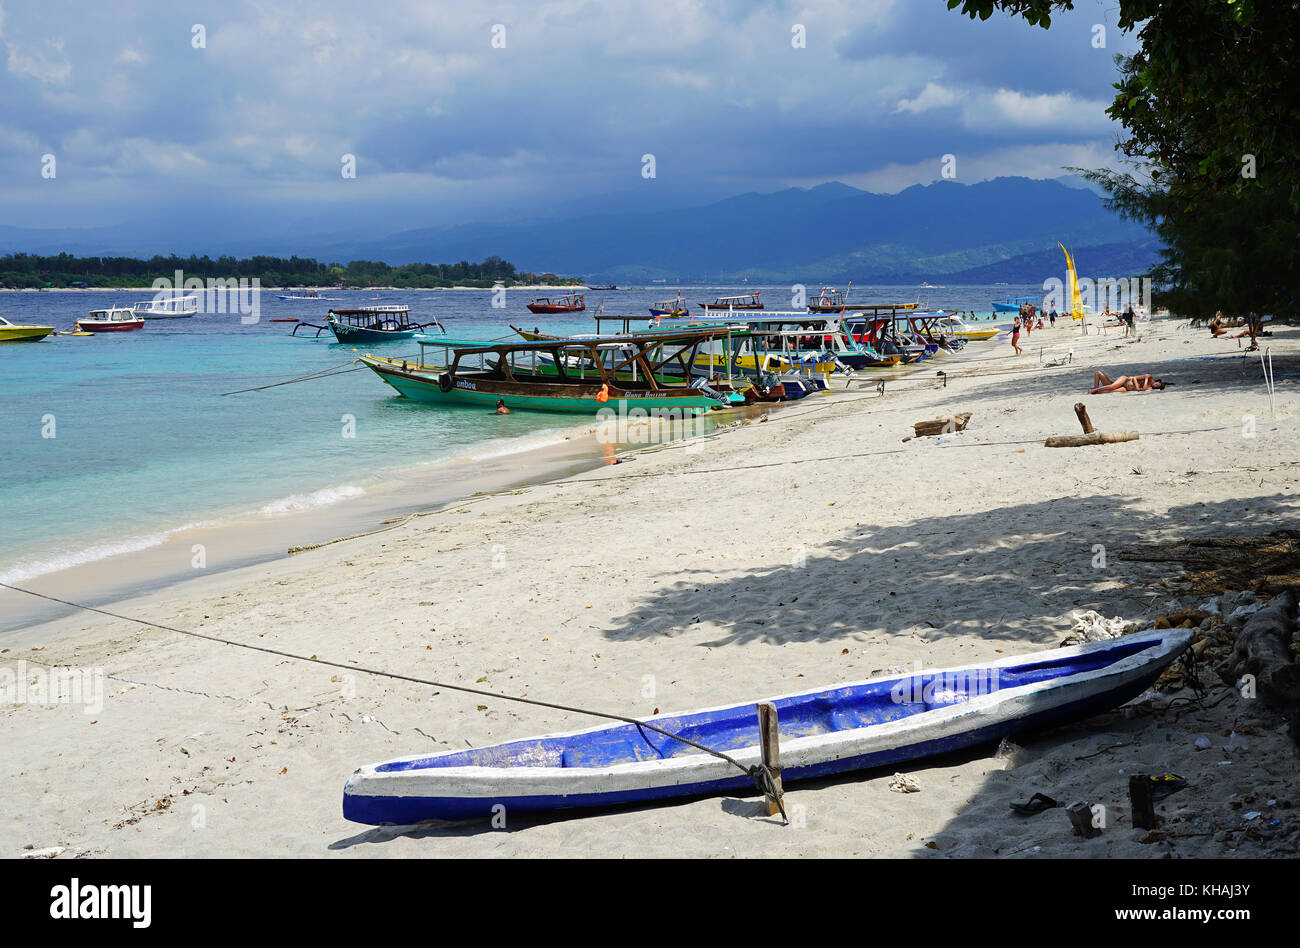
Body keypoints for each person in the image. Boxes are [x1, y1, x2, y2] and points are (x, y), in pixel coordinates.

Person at [1090, 370, 1166, 393]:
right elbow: (1135, 378)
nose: (1155, 385)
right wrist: (1138, 387)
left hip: (1126, 388)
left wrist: (1140, 388)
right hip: (1125, 380)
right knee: (1112, 386)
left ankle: (1097, 391)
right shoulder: (1149, 377)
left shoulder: (1150, 388)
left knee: (1109, 391)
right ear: (1157, 381)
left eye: (1156, 386)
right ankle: (1095, 389)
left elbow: (1143, 389)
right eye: (1156, 384)